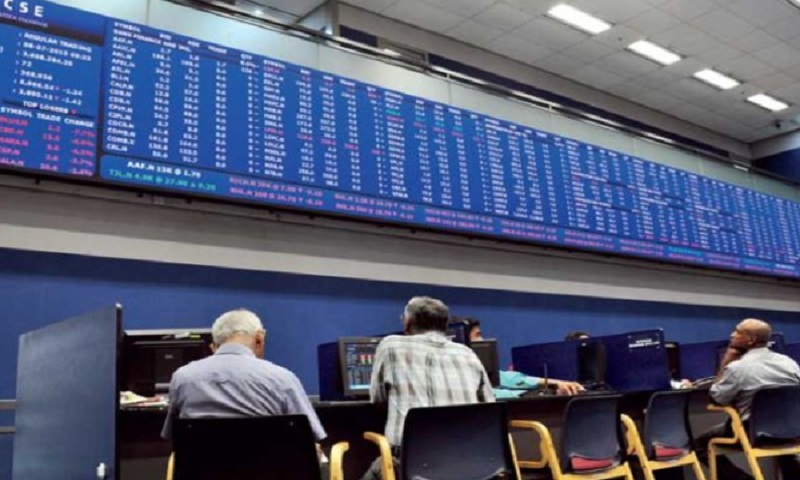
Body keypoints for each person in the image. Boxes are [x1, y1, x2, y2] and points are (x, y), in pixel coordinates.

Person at [161, 309, 327, 457]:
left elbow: (173, 435)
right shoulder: (283, 379)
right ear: (260, 338)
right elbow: (310, 434)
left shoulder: (182, 377)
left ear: (214, 347)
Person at [360, 297, 494, 480]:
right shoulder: (467, 353)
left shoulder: (390, 346)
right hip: (467, 463)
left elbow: (377, 398)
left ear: (408, 322)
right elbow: (488, 406)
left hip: (411, 465)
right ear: (445, 324)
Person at [695, 318, 800, 480]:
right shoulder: (789, 363)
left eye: (738, 332)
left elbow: (718, 398)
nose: (732, 335)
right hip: (791, 429)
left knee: (699, 444)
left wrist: (726, 362)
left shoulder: (738, 368)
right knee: (782, 441)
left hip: (752, 432)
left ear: (751, 340)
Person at [462, 317, 584, 396]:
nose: (482, 339)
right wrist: (544, 393)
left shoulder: (485, 371)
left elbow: (512, 379)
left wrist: (560, 383)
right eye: (477, 335)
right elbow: (493, 394)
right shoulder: (463, 377)